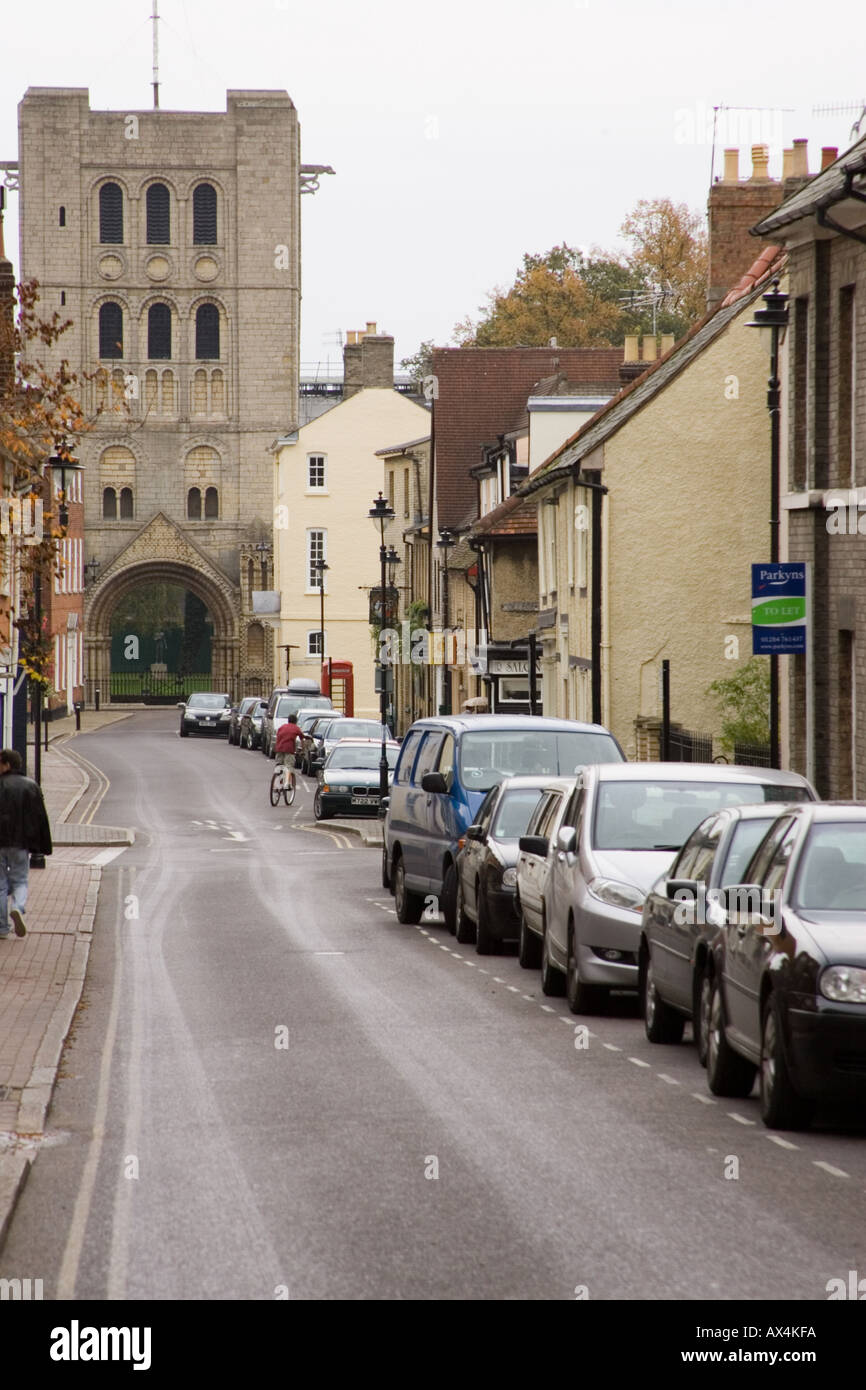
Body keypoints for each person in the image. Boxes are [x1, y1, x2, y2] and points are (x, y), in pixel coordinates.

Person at [0, 748, 52, 939]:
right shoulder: (30, 785)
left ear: (6, 765)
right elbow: (40, 818)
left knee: (0, 885)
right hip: (21, 843)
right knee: (20, 880)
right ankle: (18, 907)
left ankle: (2, 928)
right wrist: (43, 846)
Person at [274, 717, 304, 788]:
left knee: (279, 766)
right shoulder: (296, 728)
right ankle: (287, 783)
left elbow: (278, 736)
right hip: (289, 749)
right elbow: (302, 738)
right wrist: (301, 749)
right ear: (296, 721)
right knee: (288, 766)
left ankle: (275, 785)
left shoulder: (282, 727)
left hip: (279, 749)